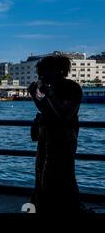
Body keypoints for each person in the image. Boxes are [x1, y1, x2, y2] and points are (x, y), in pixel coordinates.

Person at [28, 55, 84, 214]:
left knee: (59, 176)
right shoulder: (52, 87)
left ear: (56, 71)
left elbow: (66, 113)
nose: (41, 77)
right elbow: (45, 109)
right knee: (41, 175)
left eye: (43, 73)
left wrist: (49, 94)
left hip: (63, 139)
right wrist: (35, 94)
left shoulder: (72, 88)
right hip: (46, 137)